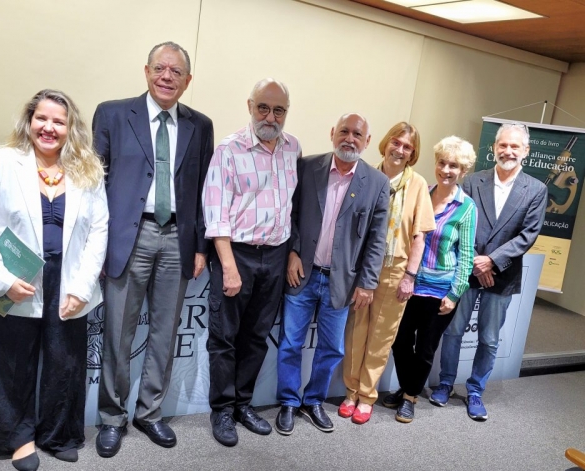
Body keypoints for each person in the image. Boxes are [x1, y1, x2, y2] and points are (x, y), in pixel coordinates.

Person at [0, 89, 108, 471]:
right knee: (8, 361)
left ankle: (58, 434)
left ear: (70, 127)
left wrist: (81, 287)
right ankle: (16, 439)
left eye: (58, 121)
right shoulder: (2, 161)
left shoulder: (87, 168)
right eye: (41, 119)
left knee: (65, 361)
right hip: (15, 275)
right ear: (29, 121)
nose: (49, 127)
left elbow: (99, 230)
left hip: (68, 277)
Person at [93, 41, 214, 457]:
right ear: (146, 71)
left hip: (177, 239)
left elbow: (203, 192)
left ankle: (149, 413)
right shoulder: (112, 113)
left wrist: (200, 246)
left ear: (188, 80)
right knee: (117, 335)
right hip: (128, 237)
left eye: (176, 72)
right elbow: (96, 184)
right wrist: (97, 245)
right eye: (160, 68)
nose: (167, 77)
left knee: (164, 334)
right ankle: (112, 418)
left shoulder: (201, 125)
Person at [275, 113, 389, 436]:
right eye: (344, 131)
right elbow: (291, 214)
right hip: (303, 273)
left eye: (357, 134)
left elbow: (376, 238)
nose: (349, 138)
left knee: (331, 348)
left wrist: (368, 282)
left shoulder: (378, 183)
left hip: (343, 280)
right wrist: (293, 251)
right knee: (291, 342)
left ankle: (313, 401)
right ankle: (287, 401)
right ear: (332, 134)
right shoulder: (307, 166)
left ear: (367, 142)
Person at [202, 78, 301, 447]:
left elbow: (293, 206)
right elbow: (216, 214)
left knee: (257, 337)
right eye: (263, 107)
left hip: (275, 255)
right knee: (224, 339)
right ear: (250, 106)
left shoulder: (292, 147)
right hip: (237, 254)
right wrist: (227, 266)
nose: (270, 116)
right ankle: (223, 411)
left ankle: (244, 403)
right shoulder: (229, 149)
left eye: (279, 110)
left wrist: (291, 251)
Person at [430, 123, 547, 421]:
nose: (508, 151)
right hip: (467, 271)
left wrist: (492, 261)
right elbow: (461, 224)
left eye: (515, 146)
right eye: (503, 145)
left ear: (526, 152)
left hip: (502, 276)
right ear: (493, 148)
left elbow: (527, 235)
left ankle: (475, 391)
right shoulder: (472, 182)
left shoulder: (536, 190)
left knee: (490, 338)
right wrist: (477, 262)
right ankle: (445, 384)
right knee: (454, 331)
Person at [340, 122, 436, 425]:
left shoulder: (418, 184)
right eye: (397, 142)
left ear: (413, 153)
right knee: (356, 332)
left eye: (408, 147)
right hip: (362, 266)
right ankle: (350, 392)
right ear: (386, 143)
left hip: (396, 268)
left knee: (381, 338)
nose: (400, 150)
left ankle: (367, 397)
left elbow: (420, 236)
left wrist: (410, 276)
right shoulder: (366, 174)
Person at [382, 136, 477, 423]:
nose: (446, 169)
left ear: (463, 171)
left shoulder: (467, 207)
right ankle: (409, 386)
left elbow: (467, 255)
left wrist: (455, 293)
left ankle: (409, 397)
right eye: (442, 163)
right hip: (409, 284)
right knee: (398, 341)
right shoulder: (422, 192)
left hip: (440, 291)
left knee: (425, 348)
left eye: (454, 166)